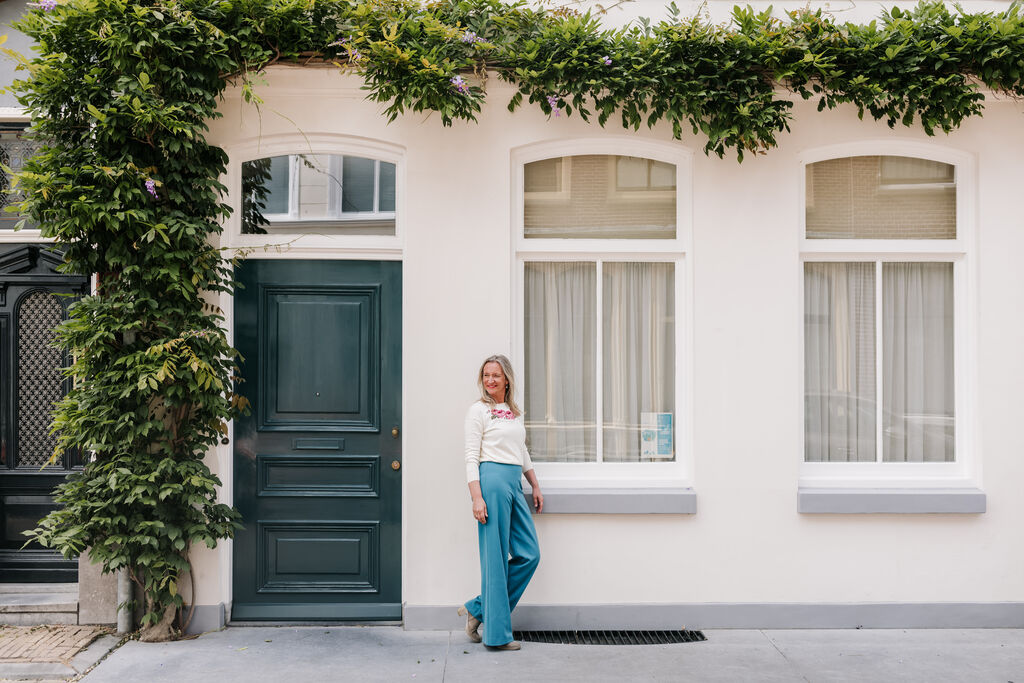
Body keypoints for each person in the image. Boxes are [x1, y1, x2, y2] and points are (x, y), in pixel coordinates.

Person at [457, 354, 543, 651]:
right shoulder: (478, 411)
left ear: (507, 379)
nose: (490, 380)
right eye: (486, 375)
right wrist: (476, 497)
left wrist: (534, 484)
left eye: (495, 375)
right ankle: (497, 636)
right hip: (491, 481)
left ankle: (478, 608)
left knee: (529, 554)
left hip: (514, 483)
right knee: (495, 560)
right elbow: (471, 456)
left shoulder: (513, 412)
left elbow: (522, 450)